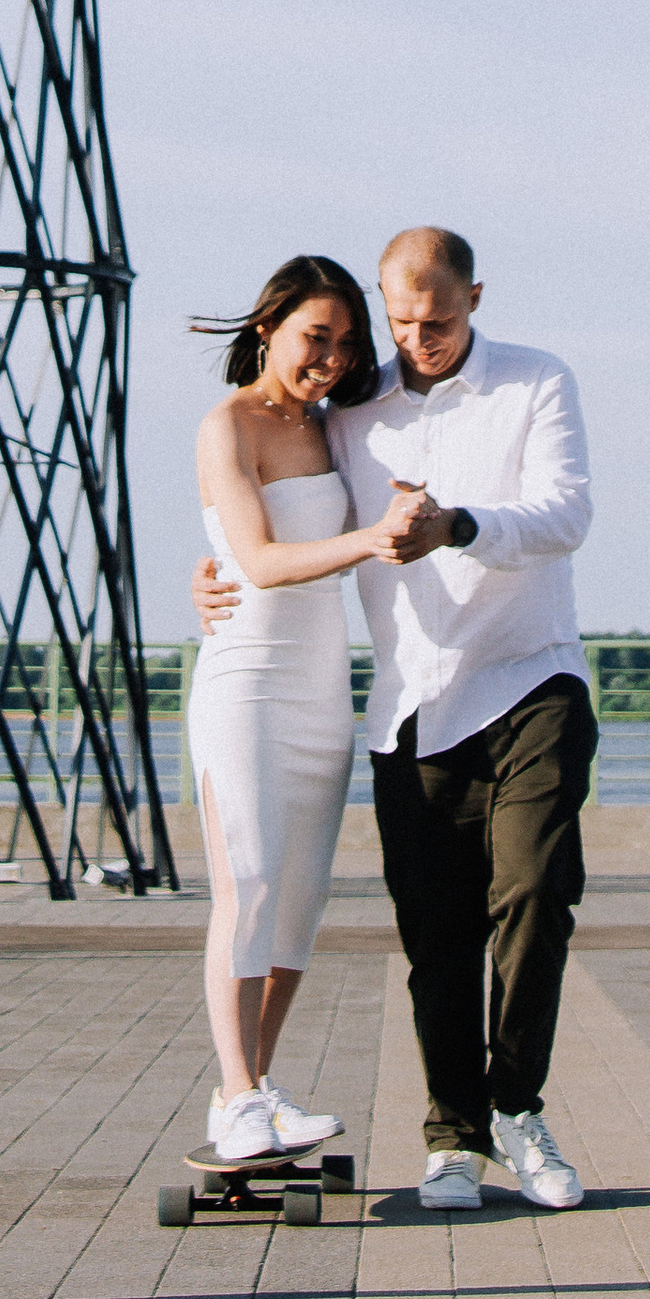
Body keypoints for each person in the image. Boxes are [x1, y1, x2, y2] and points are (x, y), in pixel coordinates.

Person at [196, 226, 595, 1215]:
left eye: (439, 320)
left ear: (476, 298)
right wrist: (203, 578)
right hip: (408, 700)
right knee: (426, 936)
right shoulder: (349, 411)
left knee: (533, 894)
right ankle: (443, 1134)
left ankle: (516, 1110)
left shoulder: (535, 382)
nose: (416, 340)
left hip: (529, 677)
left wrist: (454, 525)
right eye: (401, 322)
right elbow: (255, 525)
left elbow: (565, 516)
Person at [187, 255, 428, 1169]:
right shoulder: (228, 424)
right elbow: (253, 560)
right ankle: (241, 1092)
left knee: (299, 904)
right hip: (246, 679)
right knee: (243, 883)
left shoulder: (335, 427)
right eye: (312, 339)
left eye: (343, 343)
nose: (329, 359)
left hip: (322, 684)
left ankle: (249, 1093)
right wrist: (368, 539)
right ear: (267, 328)